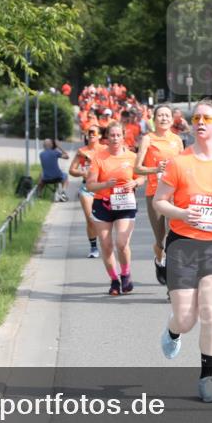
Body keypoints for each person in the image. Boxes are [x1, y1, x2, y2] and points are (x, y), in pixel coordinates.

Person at [153, 99, 212, 403]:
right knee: (186, 319)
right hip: (183, 246)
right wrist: (183, 214)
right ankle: (172, 331)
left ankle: (206, 380)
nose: (201, 122)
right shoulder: (179, 162)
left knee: (210, 312)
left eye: (207, 118)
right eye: (196, 117)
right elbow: (160, 202)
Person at [86, 121, 142, 295]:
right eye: (112, 135)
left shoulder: (132, 157)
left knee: (121, 243)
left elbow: (142, 178)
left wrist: (135, 182)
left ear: (123, 136)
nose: (115, 138)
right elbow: (90, 185)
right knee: (106, 244)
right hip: (103, 203)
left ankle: (125, 275)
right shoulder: (99, 157)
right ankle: (114, 280)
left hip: (125, 203)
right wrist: (105, 184)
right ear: (107, 138)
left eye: (118, 135)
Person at [135, 104, 184, 285]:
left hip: (174, 195)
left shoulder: (177, 140)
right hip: (154, 194)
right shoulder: (148, 139)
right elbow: (137, 168)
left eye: (167, 116)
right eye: (160, 116)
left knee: (174, 236)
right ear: (154, 120)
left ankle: (172, 278)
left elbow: (183, 165)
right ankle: (159, 260)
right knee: (160, 240)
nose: (164, 119)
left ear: (172, 119)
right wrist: (156, 169)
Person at [69, 126, 105, 258]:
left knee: (105, 219)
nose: (90, 135)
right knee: (90, 219)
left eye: (93, 133)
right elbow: (72, 170)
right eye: (88, 133)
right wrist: (83, 172)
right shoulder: (82, 152)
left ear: (100, 136)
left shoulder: (105, 150)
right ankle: (94, 247)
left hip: (103, 188)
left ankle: (107, 244)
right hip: (87, 189)